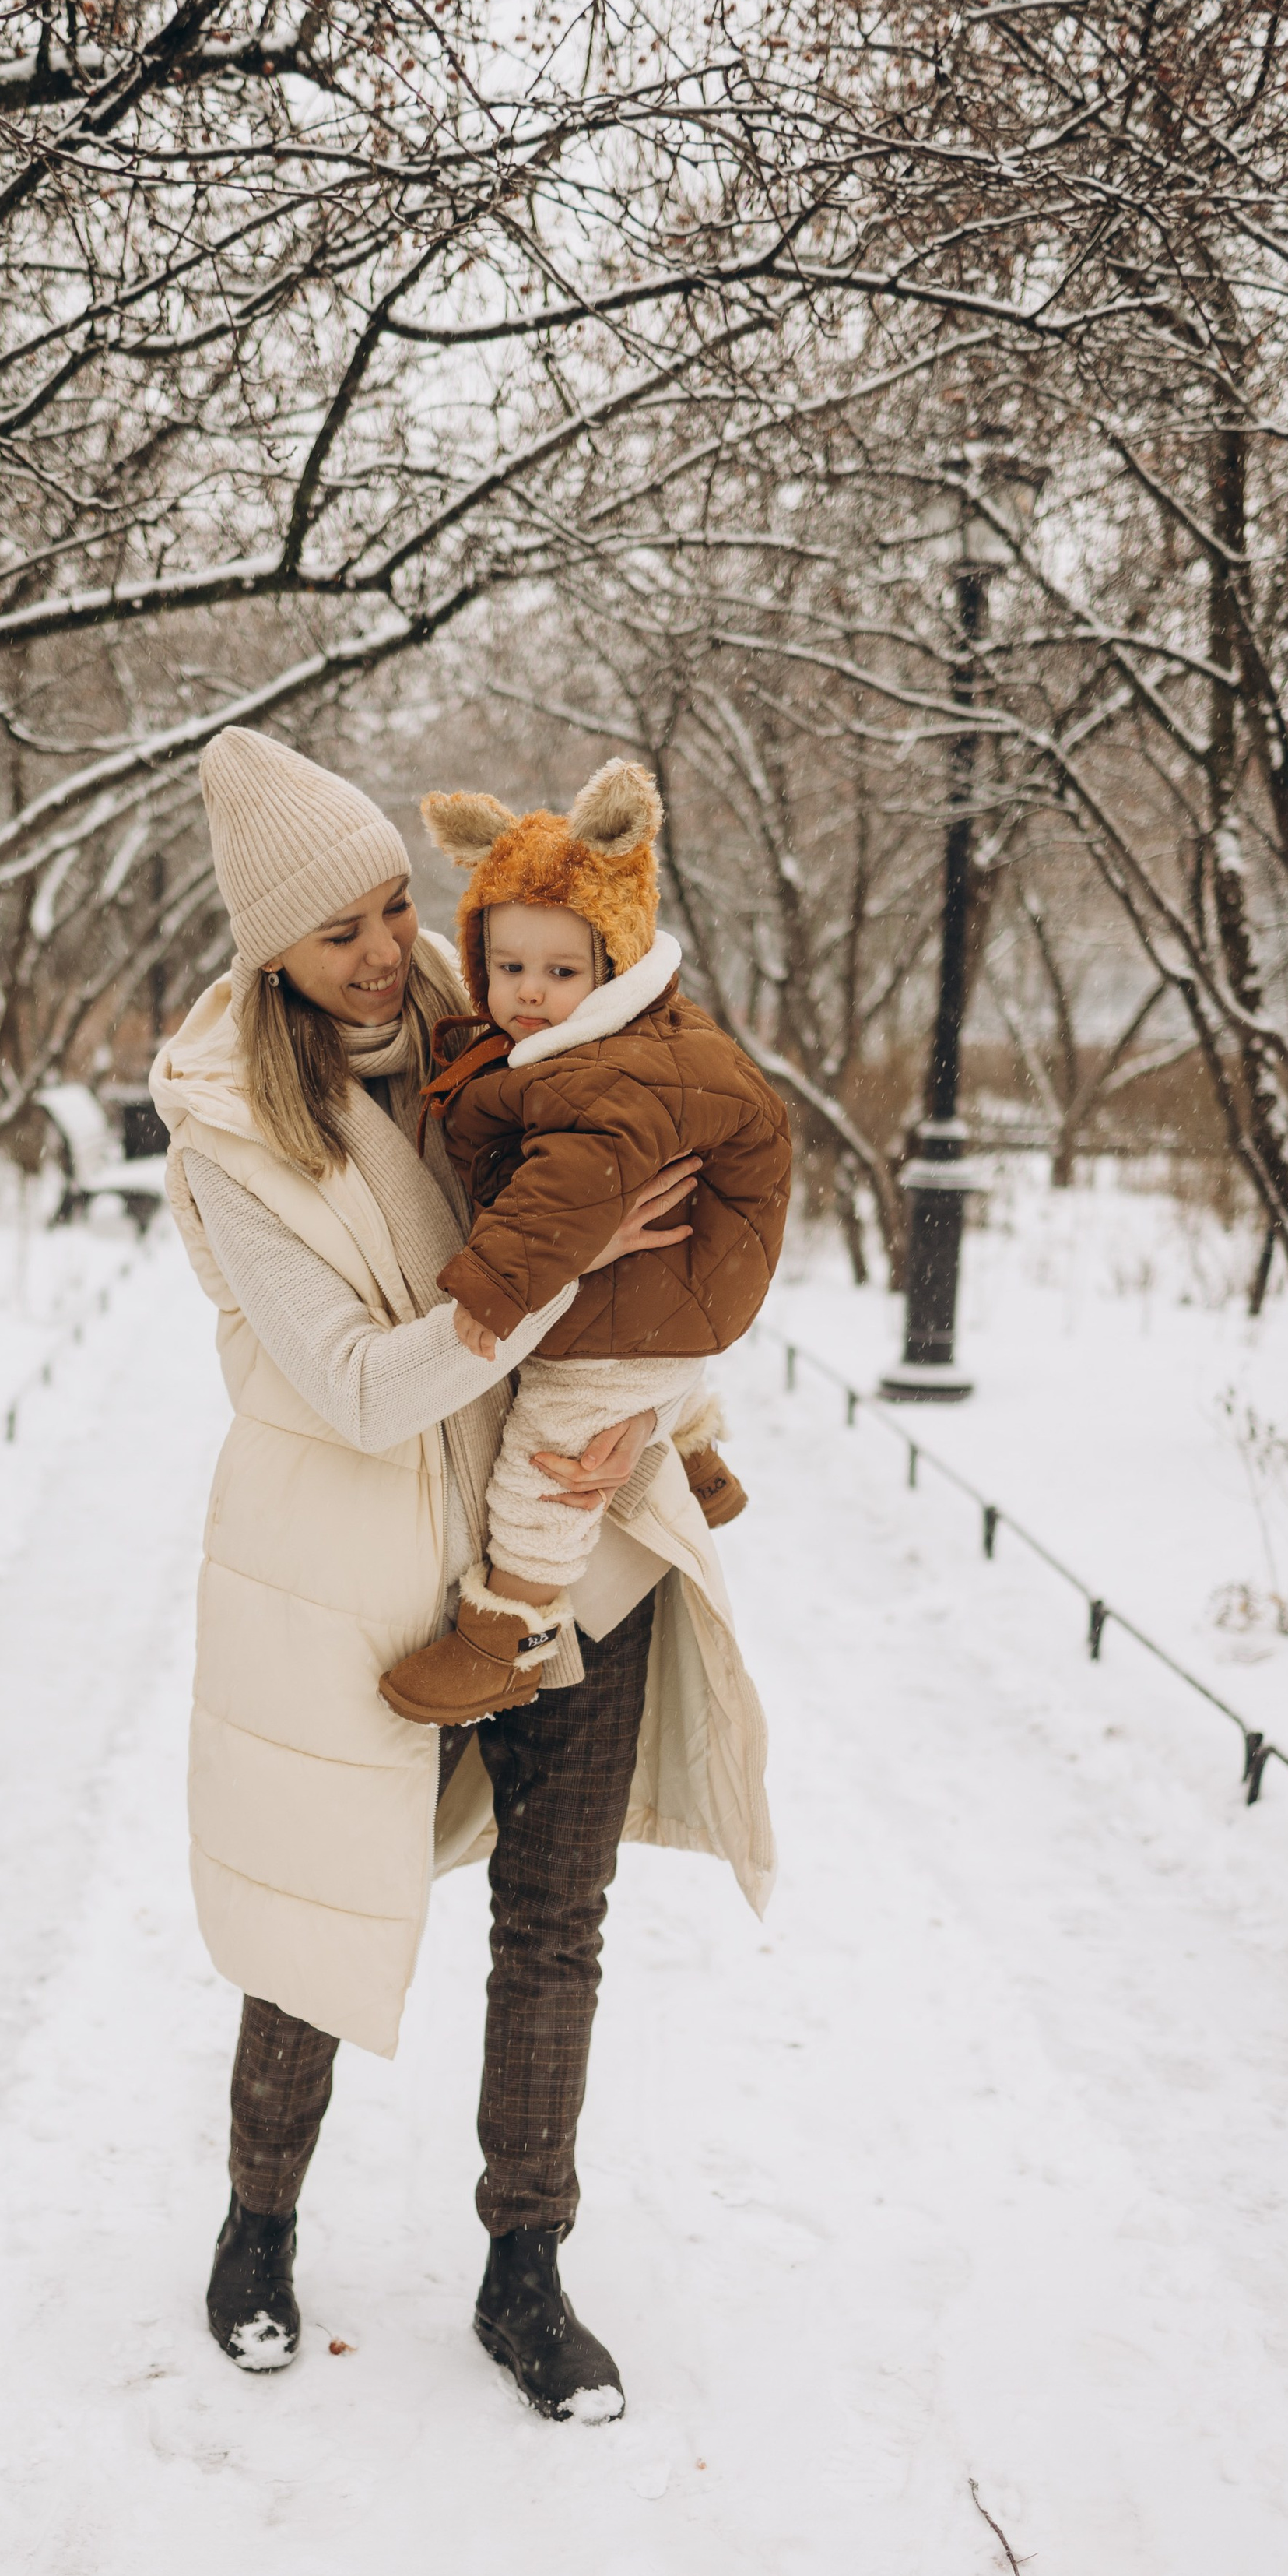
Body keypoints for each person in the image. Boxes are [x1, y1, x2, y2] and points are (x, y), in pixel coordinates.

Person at [149, 727, 775, 2423]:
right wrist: (571, 1278)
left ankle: (523, 2266)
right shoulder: (233, 1130)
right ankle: (257, 2224)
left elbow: (687, 1120)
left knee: (552, 1924)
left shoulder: (504, 1002)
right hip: (361, 1558)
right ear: (265, 947)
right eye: (338, 929)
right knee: (313, 1906)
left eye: (385, 904)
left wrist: (654, 1359)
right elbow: (354, 1386)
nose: (382, 948)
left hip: (568, 1537)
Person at [377, 759, 792, 1727]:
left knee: (551, 1451)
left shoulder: (607, 1075)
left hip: (639, 1311)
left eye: (561, 972)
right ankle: (696, 1460)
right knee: (636, 1371)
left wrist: (494, 1290)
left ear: (612, 960)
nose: (527, 993)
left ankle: (508, 1631)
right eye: (508, 967)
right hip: (676, 1291)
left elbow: (569, 1191)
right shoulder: (623, 1039)